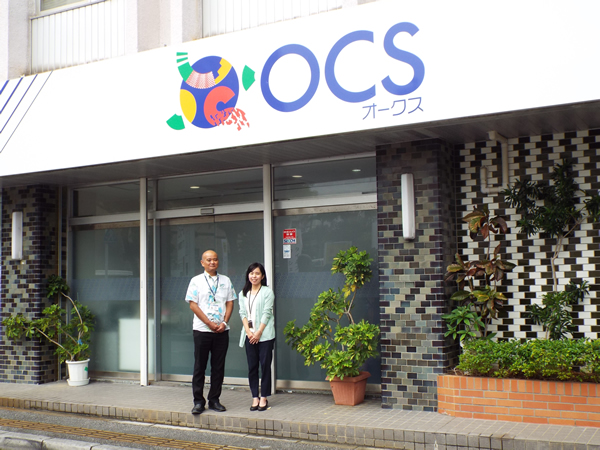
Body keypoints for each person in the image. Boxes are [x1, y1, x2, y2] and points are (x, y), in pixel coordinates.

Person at [185, 249, 236, 415]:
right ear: (202, 263)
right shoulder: (196, 281)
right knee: (200, 366)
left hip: (222, 330)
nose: (212, 262)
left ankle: (214, 400)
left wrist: (224, 322)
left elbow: (230, 302)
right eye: (208, 260)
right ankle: (198, 402)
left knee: (218, 367)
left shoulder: (226, 280)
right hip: (202, 330)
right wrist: (208, 323)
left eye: (215, 259)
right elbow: (193, 304)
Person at [238, 262, 275, 411]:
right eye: (252, 273)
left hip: (265, 335)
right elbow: (242, 313)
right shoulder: (243, 293)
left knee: (265, 366)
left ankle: (264, 397)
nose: (254, 276)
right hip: (249, 335)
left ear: (262, 276)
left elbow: (267, 313)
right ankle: (255, 396)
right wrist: (248, 332)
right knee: (252, 367)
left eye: (257, 273)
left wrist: (258, 332)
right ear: (248, 275)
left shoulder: (267, 292)